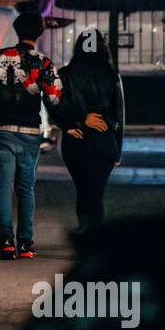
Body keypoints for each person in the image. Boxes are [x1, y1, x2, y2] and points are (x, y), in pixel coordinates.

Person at [0, 10, 62, 260]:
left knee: (3, 187)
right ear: (40, 32)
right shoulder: (44, 64)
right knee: (26, 188)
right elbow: (54, 100)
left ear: (17, 29)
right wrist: (68, 122)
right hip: (31, 134)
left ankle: (6, 241)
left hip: (4, 132)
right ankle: (26, 243)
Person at [56, 30, 124, 236]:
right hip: (103, 140)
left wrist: (77, 119)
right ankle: (95, 232)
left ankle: (85, 227)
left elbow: (56, 106)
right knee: (96, 191)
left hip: (75, 138)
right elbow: (119, 115)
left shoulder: (64, 74)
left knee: (82, 187)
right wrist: (118, 150)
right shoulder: (111, 76)